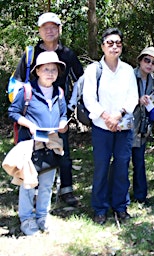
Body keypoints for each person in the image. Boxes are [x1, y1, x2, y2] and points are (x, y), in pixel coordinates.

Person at [11, 12, 84, 207]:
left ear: (59, 29)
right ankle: (34, 189)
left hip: (60, 112)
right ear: (39, 31)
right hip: (35, 114)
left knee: (63, 152)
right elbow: (18, 81)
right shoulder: (31, 54)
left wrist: (71, 107)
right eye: (45, 27)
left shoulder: (67, 54)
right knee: (36, 152)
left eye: (53, 27)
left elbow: (80, 79)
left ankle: (66, 189)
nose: (49, 30)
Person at [8, 51, 68, 235]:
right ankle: (26, 219)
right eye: (46, 69)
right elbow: (13, 112)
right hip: (30, 145)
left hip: (51, 143)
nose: (50, 73)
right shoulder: (27, 90)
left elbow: (64, 114)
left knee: (47, 183)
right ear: (38, 71)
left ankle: (43, 216)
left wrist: (62, 124)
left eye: (54, 69)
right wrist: (29, 125)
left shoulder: (59, 92)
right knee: (28, 183)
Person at [83, 28, 138, 225]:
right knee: (101, 167)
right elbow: (88, 98)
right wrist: (107, 117)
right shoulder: (93, 70)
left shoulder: (128, 70)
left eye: (118, 43)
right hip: (101, 126)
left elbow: (133, 96)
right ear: (103, 46)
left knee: (122, 166)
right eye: (110, 43)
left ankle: (120, 207)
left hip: (123, 125)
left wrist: (118, 114)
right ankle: (100, 208)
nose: (114, 46)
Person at [131, 47, 154, 205]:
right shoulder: (129, 76)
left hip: (143, 127)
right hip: (127, 124)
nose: (150, 64)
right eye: (147, 60)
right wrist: (137, 100)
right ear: (140, 60)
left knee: (139, 161)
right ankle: (119, 197)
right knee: (121, 162)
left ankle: (140, 196)